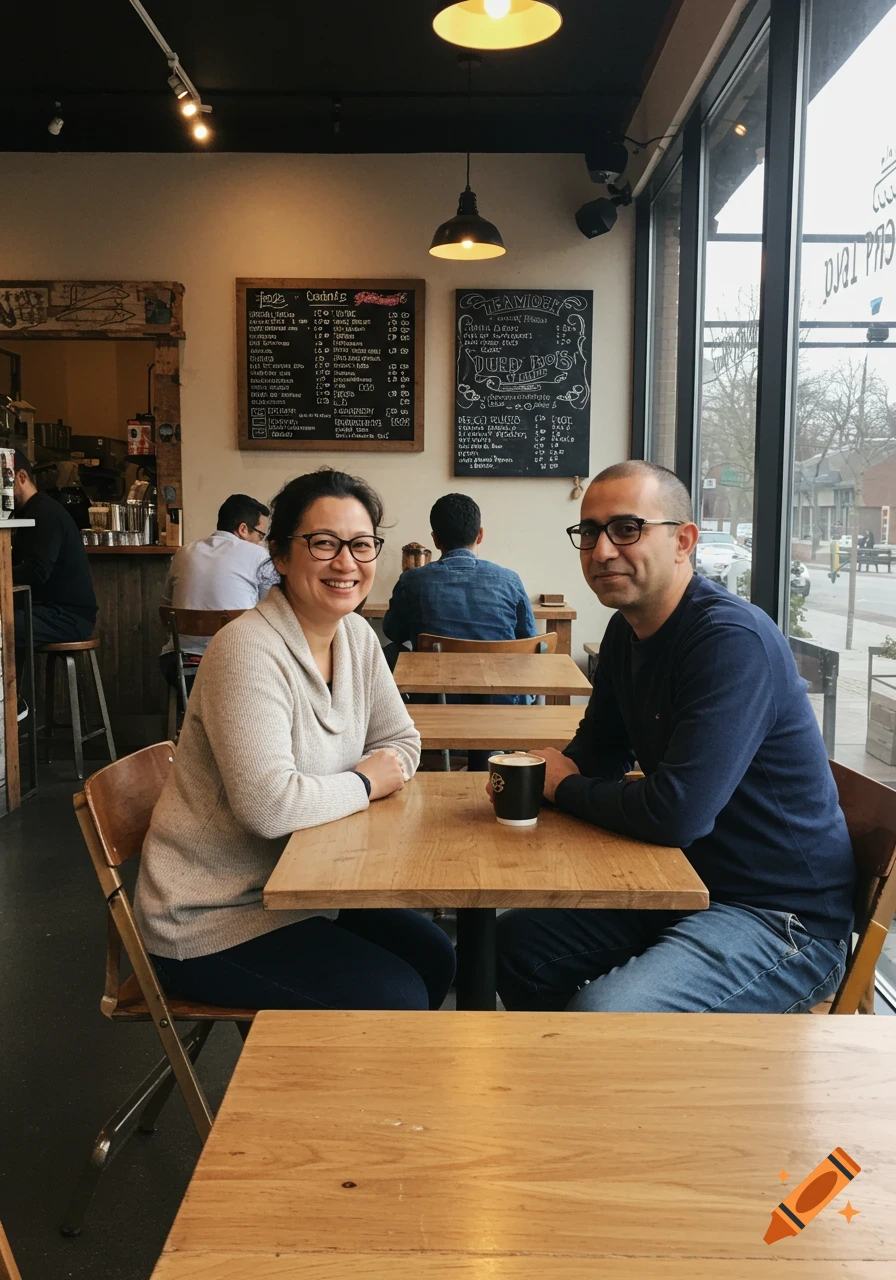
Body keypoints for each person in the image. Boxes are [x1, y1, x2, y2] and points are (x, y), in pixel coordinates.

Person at [496, 459, 854, 1015]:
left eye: (626, 529)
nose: (601, 550)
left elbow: (677, 814)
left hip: (782, 917)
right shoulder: (625, 632)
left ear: (683, 540)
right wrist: (538, 778)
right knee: (511, 945)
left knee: (606, 1013)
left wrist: (562, 788)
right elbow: (597, 756)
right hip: (680, 883)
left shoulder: (729, 640)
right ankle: (574, 1090)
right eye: (589, 532)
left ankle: (623, 1086)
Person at [135, 467, 456, 1011]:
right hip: (212, 916)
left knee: (436, 955)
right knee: (395, 995)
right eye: (324, 543)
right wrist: (363, 781)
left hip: (309, 885)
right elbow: (269, 805)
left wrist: (373, 775)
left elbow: (400, 739)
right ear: (280, 556)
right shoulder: (246, 650)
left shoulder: (356, 635)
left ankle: (377, 1087)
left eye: (362, 544)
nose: (347, 562)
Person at [383, 493, 536, 655]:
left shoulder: (411, 581)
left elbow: (393, 632)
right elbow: (529, 639)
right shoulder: (511, 581)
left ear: (435, 539)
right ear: (480, 535)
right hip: (499, 678)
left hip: (432, 679)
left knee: (391, 651)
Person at [158, 493, 280, 690]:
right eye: (260, 535)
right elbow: (273, 609)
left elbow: (166, 604)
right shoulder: (259, 556)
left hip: (179, 667)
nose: (260, 542)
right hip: (238, 667)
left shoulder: (183, 553)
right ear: (243, 529)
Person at [11, 449, 97, 654]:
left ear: (21, 476)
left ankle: (13, 687)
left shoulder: (45, 513)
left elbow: (37, 572)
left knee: (2, 626)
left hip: (68, 617)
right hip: (47, 611)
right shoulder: (29, 512)